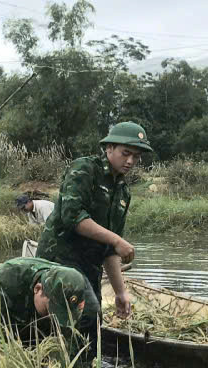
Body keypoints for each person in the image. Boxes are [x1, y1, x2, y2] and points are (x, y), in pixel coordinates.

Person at [36, 121, 151, 321]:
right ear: (109, 148)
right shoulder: (85, 169)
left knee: (93, 321)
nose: (131, 161)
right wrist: (116, 240)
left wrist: (120, 292)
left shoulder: (123, 192)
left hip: (90, 267)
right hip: (60, 260)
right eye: (126, 153)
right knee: (84, 316)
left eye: (136, 156)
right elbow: (73, 217)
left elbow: (110, 250)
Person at [0, 257, 100, 348]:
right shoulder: (8, 278)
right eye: (50, 310)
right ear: (38, 289)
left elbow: (73, 345)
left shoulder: (82, 297)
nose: (54, 318)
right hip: (11, 314)